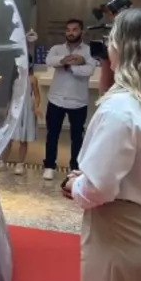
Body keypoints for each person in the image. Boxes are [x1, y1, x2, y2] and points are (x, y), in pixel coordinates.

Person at [62, 7, 141, 281]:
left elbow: (97, 190)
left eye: (111, 40)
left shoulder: (121, 109)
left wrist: (74, 184)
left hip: (125, 233)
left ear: (125, 48)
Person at [42, 19, 97, 180]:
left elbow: (88, 70)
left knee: (77, 137)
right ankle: (49, 166)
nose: (71, 33)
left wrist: (69, 66)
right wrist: (70, 59)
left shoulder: (89, 51)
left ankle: (75, 168)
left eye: (74, 29)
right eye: (68, 30)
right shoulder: (56, 48)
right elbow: (49, 61)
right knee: (52, 134)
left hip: (78, 101)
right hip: (56, 99)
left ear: (82, 32)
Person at [0, 57, 40, 175]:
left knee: (23, 139)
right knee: (7, 137)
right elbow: (11, 95)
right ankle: (2, 162)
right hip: (14, 108)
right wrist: (7, 109)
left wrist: (36, 107)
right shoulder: (15, 79)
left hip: (26, 109)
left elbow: (37, 95)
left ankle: (20, 164)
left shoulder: (32, 79)